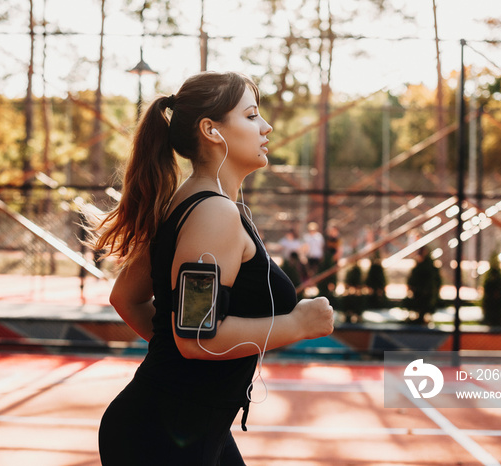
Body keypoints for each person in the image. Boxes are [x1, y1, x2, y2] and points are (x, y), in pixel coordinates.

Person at [92, 71, 334, 465]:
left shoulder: (193, 203)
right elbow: (197, 338)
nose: (266, 126)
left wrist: (179, 358)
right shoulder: (213, 212)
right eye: (252, 115)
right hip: (165, 435)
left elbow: (127, 299)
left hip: (193, 426)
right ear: (211, 130)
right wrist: (299, 325)